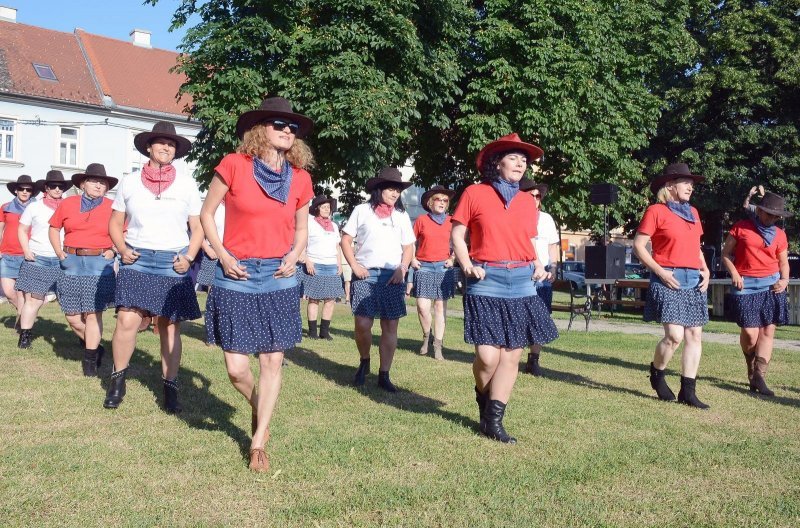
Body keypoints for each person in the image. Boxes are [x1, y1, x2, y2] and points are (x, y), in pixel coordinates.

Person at [202, 96, 315, 472]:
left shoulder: (300, 177)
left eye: (291, 127)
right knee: (236, 367)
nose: (286, 131)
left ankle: (258, 441)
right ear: (259, 130)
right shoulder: (234, 165)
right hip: (236, 272)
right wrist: (221, 254)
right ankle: (258, 404)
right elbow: (206, 213)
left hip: (279, 276)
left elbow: (301, 228)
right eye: (278, 125)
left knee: (272, 360)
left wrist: (296, 254)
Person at [451, 133, 559, 444]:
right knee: (487, 357)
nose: (521, 163)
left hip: (523, 280)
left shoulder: (528, 201)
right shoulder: (474, 193)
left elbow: (527, 241)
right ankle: (483, 401)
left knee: (511, 355)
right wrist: (467, 263)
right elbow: (458, 235)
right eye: (513, 157)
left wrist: (539, 264)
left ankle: (494, 420)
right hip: (487, 280)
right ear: (496, 163)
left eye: (524, 160)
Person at [103, 122, 203, 413]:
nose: (166, 148)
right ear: (148, 146)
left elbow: (197, 227)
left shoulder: (187, 184)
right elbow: (114, 221)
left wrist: (189, 256)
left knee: (169, 327)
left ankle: (170, 387)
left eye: (171, 145)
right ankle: (117, 380)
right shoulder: (130, 182)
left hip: (174, 261)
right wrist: (122, 249)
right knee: (127, 321)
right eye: (161, 143)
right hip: (138, 258)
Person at [633, 163, 711, 409]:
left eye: (692, 183)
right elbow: (638, 245)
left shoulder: (694, 213)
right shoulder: (656, 211)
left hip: (693, 278)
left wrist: (706, 269)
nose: (690, 186)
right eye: (685, 182)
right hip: (668, 277)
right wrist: (659, 271)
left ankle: (688, 391)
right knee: (674, 336)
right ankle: (657, 373)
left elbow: (695, 246)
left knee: (694, 335)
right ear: (670, 185)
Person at [341, 167, 415, 392]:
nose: (395, 193)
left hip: (393, 276)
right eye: (391, 189)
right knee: (363, 324)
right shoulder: (361, 211)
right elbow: (346, 240)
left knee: (390, 326)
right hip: (366, 274)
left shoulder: (402, 215)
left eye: (398, 190)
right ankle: (365, 360)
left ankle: (384, 374)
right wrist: (354, 266)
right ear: (378, 189)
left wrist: (403, 268)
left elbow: (408, 247)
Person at [48, 163, 118, 377]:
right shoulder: (68, 203)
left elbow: (125, 231)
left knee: (92, 314)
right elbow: (53, 228)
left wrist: (113, 250)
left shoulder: (113, 206)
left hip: (99, 264)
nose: (99, 185)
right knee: (72, 316)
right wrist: (60, 252)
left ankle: (89, 361)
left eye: (103, 182)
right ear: (83, 184)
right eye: (94, 181)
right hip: (71, 263)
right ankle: (95, 346)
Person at [721, 192, 792, 397]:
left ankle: (759, 377)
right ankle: (750, 365)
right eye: (769, 214)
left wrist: (784, 280)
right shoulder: (741, 227)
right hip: (745, 285)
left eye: (776, 216)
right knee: (751, 334)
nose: (772, 219)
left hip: (772, 285)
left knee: (768, 331)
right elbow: (726, 254)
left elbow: (783, 262)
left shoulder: (779, 234)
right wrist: (734, 272)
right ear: (759, 210)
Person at [15, 170, 72, 349]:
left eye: (60, 186)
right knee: (34, 300)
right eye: (53, 186)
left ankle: (84, 337)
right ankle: (24, 336)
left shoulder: (69, 206)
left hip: (65, 259)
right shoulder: (34, 206)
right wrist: (26, 250)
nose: (57, 189)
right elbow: (22, 229)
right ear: (46, 188)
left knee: (72, 301)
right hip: (38, 258)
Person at [519, 178, 559, 376]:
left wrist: (553, 267)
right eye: (530, 195)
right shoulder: (513, 216)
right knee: (518, 315)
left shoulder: (546, 219)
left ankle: (533, 359)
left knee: (540, 316)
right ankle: (511, 355)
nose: (535, 199)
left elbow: (553, 246)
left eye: (537, 196)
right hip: (519, 270)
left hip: (542, 273)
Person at [411, 185, 456, 360]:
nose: (442, 203)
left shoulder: (452, 221)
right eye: (439, 199)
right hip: (424, 267)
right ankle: (426, 335)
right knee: (422, 307)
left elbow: (459, 242)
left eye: (445, 201)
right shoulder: (421, 220)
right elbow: (410, 242)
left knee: (439, 307)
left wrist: (452, 258)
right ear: (430, 202)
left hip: (443, 268)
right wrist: (413, 258)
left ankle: (438, 345)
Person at [0, 175, 39, 331]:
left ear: (31, 192)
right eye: (21, 189)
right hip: (7, 255)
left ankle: (22, 325)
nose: (24, 191)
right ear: (15, 190)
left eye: (28, 190)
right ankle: (25, 317)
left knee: (24, 293)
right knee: (9, 293)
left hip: (28, 255)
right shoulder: (5, 207)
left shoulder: (36, 208)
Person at [303, 195, 344, 340]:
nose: (327, 209)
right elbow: (303, 244)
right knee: (314, 299)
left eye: (328, 207)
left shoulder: (334, 226)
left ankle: (324, 331)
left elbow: (337, 247)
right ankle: (313, 331)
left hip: (332, 266)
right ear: (317, 208)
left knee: (330, 299)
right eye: (323, 207)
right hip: (315, 265)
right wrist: (307, 261)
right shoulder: (310, 224)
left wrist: (339, 264)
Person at [195, 201, 226, 291]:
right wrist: (207, 249)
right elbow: (197, 231)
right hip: (213, 250)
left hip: (232, 250)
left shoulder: (235, 204)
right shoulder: (211, 206)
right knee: (211, 284)